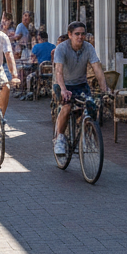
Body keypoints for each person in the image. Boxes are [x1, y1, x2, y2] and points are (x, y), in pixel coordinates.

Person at [53, 21, 107, 156]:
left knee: (90, 106)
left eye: (83, 34)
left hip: (81, 84)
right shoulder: (62, 48)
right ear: (70, 35)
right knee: (67, 106)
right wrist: (64, 89)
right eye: (77, 34)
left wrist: (105, 90)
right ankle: (59, 138)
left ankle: (84, 132)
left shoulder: (88, 48)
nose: (80, 37)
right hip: (63, 83)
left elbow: (97, 68)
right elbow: (58, 71)